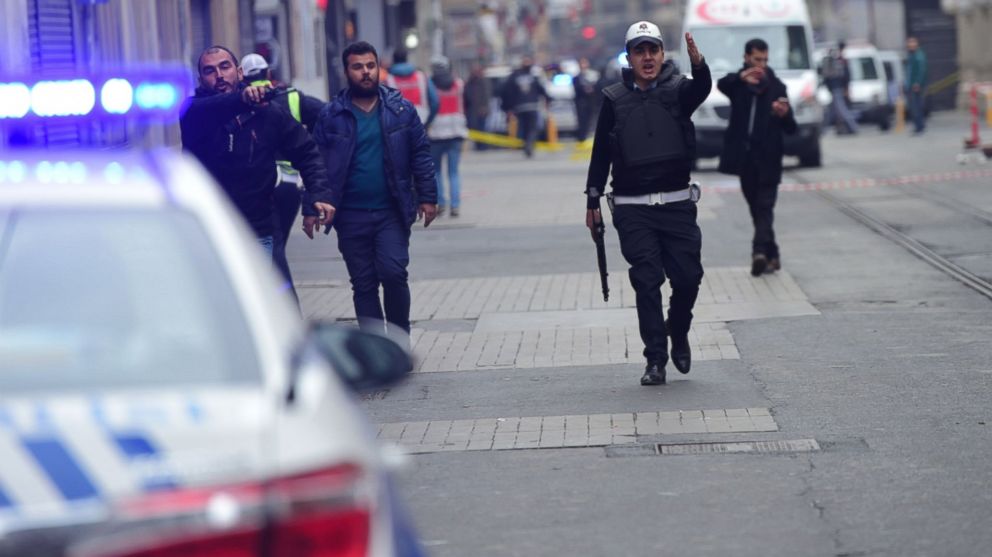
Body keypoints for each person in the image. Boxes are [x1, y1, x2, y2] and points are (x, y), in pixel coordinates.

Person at [585, 21, 711, 386]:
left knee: (688, 278)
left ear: (661, 54)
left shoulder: (679, 91)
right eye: (639, 51)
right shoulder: (613, 99)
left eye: (652, 50)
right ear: (630, 57)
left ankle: (679, 328)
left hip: (676, 205)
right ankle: (655, 358)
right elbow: (600, 154)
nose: (647, 57)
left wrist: (698, 63)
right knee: (647, 281)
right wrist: (593, 199)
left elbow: (702, 88)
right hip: (632, 207)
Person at [310, 41, 438, 343]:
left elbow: (420, 153)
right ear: (346, 72)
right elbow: (315, 162)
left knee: (394, 273)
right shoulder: (331, 115)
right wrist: (311, 204)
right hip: (350, 215)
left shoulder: (400, 109)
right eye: (358, 67)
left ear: (378, 67)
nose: (366, 73)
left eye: (370, 65)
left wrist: (428, 196)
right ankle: (377, 350)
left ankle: (399, 341)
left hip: (391, 211)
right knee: (364, 284)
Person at [180, 45, 333, 258]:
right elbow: (208, 108)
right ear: (200, 79)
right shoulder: (194, 112)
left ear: (239, 72)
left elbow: (306, 152)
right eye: (209, 71)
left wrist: (317, 196)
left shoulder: (267, 112)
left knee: (271, 287)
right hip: (210, 230)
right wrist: (242, 99)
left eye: (225, 67)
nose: (219, 75)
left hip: (257, 228)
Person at [240, 53, 327, 301]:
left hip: (263, 184)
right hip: (290, 183)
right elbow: (326, 115)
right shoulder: (292, 97)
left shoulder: (239, 99)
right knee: (275, 247)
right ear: (269, 73)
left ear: (241, 76)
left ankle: (284, 310)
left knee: (273, 249)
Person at [717, 38, 797, 277]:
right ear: (746, 58)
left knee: (764, 207)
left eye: (764, 60)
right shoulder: (738, 84)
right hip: (745, 160)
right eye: (756, 60)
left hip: (769, 159)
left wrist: (784, 114)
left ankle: (759, 252)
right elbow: (722, 84)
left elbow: (792, 128)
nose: (760, 65)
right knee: (756, 208)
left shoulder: (776, 87)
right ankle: (773, 254)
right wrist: (741, 78)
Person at [428, 58, 469, 217]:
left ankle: (441, 203)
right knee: (453, 172)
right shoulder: (458, 84)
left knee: (436, 171)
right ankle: (455, 206)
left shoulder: (430, 85)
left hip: (436, 132)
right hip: (456, 130)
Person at [500, 54, 550, 158]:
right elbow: (507, 92)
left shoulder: (517, 76)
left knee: (527, 128)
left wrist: (508, 107)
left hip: (525, 106)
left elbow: (506, 92)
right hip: (526, 107)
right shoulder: (529, 76)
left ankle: (527, 145)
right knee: (530, 128)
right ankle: (528, 145)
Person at [385, 48, 439, 126]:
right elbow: (434, 102)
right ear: (407, 58)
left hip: (397, 126)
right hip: (421, 121)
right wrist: (428, 121)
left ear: (393, 60)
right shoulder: (421, 77)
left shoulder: (387, 80)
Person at [821, 42, 858, 135]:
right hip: (837, 88)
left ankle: (853, 127)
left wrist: (846, 88)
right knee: (832, 110)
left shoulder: (835, 61)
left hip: (836, 88)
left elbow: (843, 76)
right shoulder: (838, 60)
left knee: (842, 110)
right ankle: (823, 130)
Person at [463, 62, 492, 150]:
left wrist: (485, 107)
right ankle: (477, 145)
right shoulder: (469, 83)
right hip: (471, 110)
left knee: (482, 128)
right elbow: (465, 96)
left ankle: (483, 146)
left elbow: (487, 95)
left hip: (481, 110)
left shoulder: (484, 82)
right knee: (474, 128)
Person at [572, 57, 601, 143]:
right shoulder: (576, 78)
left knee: (592, 119)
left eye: (584, 63)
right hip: (581, 102)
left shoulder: (594, 75)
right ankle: (582, 137)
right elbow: (577, 88)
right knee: (582, 120)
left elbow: (598, 87)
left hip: (592, 102)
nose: (583, 65)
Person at [905, 36, 928, 135]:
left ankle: (920, 126)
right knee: (914, 106)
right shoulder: (912, 55)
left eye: (912, 42)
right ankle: (918, 125)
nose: (911, 45)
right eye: (909, 43)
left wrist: (917, 82)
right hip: (911, 84)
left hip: (916, 85)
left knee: (916, 106)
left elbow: (921, 70)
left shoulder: (919, 55)